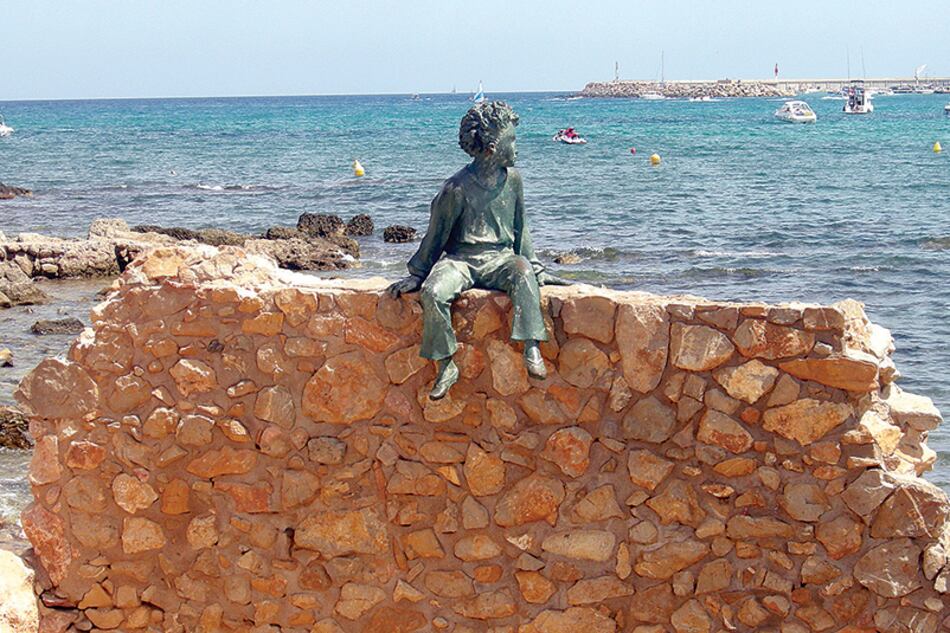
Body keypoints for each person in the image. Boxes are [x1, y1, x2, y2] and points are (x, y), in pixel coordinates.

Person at [388, 101, 568, 400]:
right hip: (461, 261)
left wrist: (537, 268)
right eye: (512, 141)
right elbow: (435, 236)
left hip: (500, 259)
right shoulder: (455, 189)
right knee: (433, 292)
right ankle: (446, 364)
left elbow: (521, 227)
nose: (517, 148)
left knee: (522, 273)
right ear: (492, 147)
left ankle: (532, 346)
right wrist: (418, 274)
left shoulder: (514, 180)